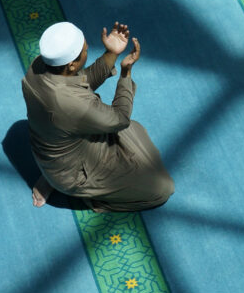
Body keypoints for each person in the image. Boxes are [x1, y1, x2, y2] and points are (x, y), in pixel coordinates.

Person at [21, 20, 174, 212]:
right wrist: (126, 74)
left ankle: (52, 175)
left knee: (136, 133)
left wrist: (111, 54)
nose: (87, 50)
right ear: (71, 64)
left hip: (59, 150)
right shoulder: (72, 103)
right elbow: (120, 119)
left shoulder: (38, 67)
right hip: (76, 174)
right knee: (162, 188)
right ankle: (90, 197)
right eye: (85, 50)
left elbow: (79, 82)